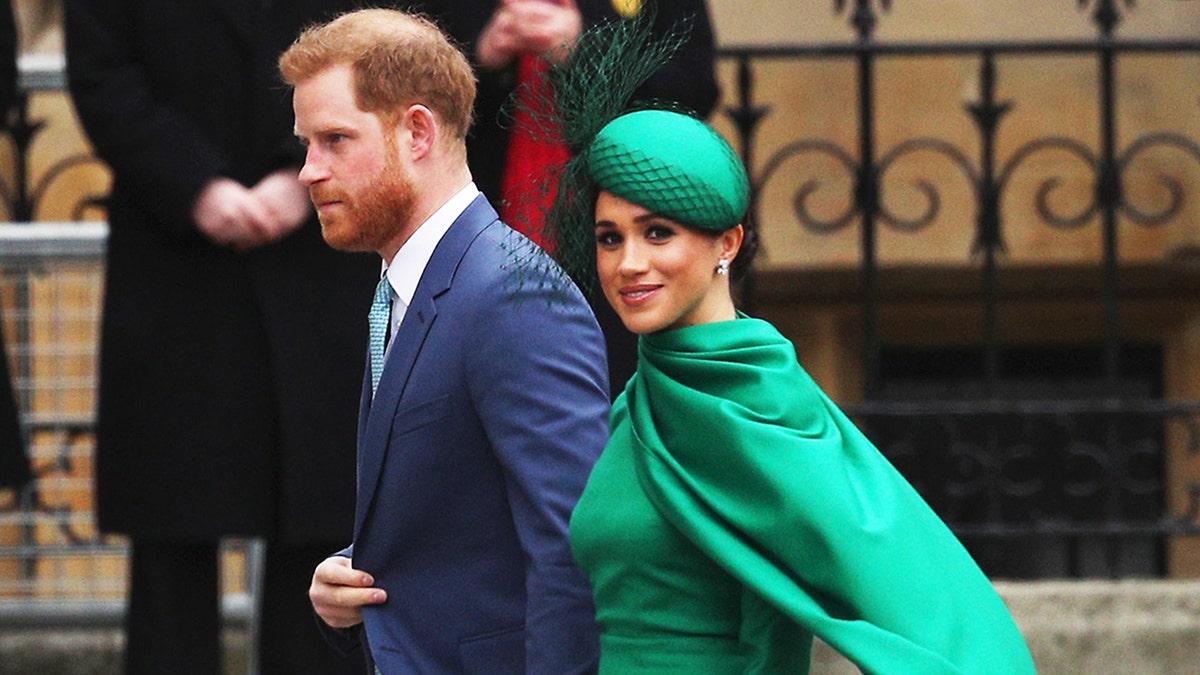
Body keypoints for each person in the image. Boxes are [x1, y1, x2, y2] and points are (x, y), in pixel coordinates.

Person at [540, 23, 1039, 672]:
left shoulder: (758, 401)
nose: (628, 262)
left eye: (658, 232)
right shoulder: (637, 401)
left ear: (726, 243)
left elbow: (913, 601)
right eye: (610, 238)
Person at [279, 8, 609, 673]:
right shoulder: (408, 285)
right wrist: (352, 583)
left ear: (419, 131)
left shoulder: (515, 296)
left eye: (335, 139)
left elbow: (572, 554)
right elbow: (455, 535)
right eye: (306, 143)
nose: (308, 171)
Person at [63, 1, 377, 673]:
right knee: (172, 528)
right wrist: (194, 184)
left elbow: (378, 46)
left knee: (323, 529)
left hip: (322, 250)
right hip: (175, 260)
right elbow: (101, 71)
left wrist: (308, 170)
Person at [402, 0, 720, 399]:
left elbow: (693, 90)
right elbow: (399, 107)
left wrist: (587, 48)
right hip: (472, 248)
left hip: (618, 249)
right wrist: (477, 60)